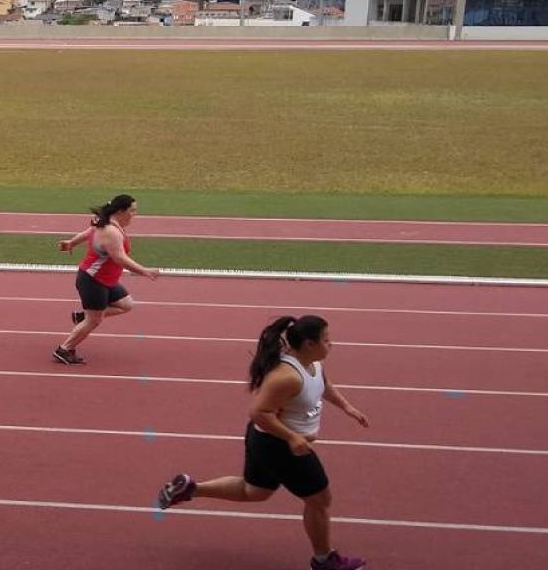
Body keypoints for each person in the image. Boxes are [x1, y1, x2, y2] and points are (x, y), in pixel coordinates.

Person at [157, 316, 370, 570]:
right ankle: (324, 560)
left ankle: (190, 489)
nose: (331, 344)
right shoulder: (286, 376)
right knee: (320, 500)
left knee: (254, 492)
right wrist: (292, 437)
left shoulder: (313, 364)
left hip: (266, 441)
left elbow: (324, 385)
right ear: (309, 344)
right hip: (280, 446)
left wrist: (347, 407)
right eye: (326, 340)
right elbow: (259, 412)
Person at [53, 194, 157, 365]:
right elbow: (120, 259)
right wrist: (144, 271)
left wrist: (72, 242)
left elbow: (89, 232)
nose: (135, 214)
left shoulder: (107, 222)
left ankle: (82, 316)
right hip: (93, 281)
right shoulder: (111, 232)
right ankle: (64, 349)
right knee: (94, 320)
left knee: (126, 304)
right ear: (121, 211)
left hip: (106, 280)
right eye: (133, 211)